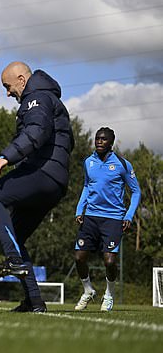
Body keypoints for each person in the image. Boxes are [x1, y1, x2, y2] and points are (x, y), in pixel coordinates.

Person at [0, 62, 74, 313]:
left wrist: (5, 157)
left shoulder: (38, 98)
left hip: (43, 173)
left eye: (7, 87)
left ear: (21, 80)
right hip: (54, 180)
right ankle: (34, 301)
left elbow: (36, 131)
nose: (7, 93)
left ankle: (12, 260)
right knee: (16, 237)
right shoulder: (45, 98)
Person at [73, 127, 141, 312]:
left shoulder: (122, 164)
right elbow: (87, 186)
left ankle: (109, 295)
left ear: (111, 142)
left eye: (103, 139)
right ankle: (88, 291)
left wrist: (128, 215)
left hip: (113, 218)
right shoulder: (88, 162)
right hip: (91, 217)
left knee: (110, 261)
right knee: (79, 257)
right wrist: (80, 209)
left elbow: (136, 191)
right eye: (97, 139)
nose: (99, 142)